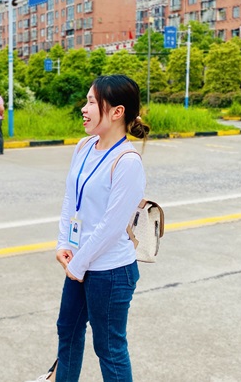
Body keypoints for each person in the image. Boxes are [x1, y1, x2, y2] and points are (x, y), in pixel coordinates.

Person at [27, 74, 150, 382]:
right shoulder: (84, 146)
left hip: (111, 270)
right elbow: (71, 199)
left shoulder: (128, 161)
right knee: (67, 330)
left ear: (117, 112)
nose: (84, 108)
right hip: (80, 263)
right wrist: (63, 244)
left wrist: (78, 264)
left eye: (92, 102)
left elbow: (111, 227)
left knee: (109, 347)